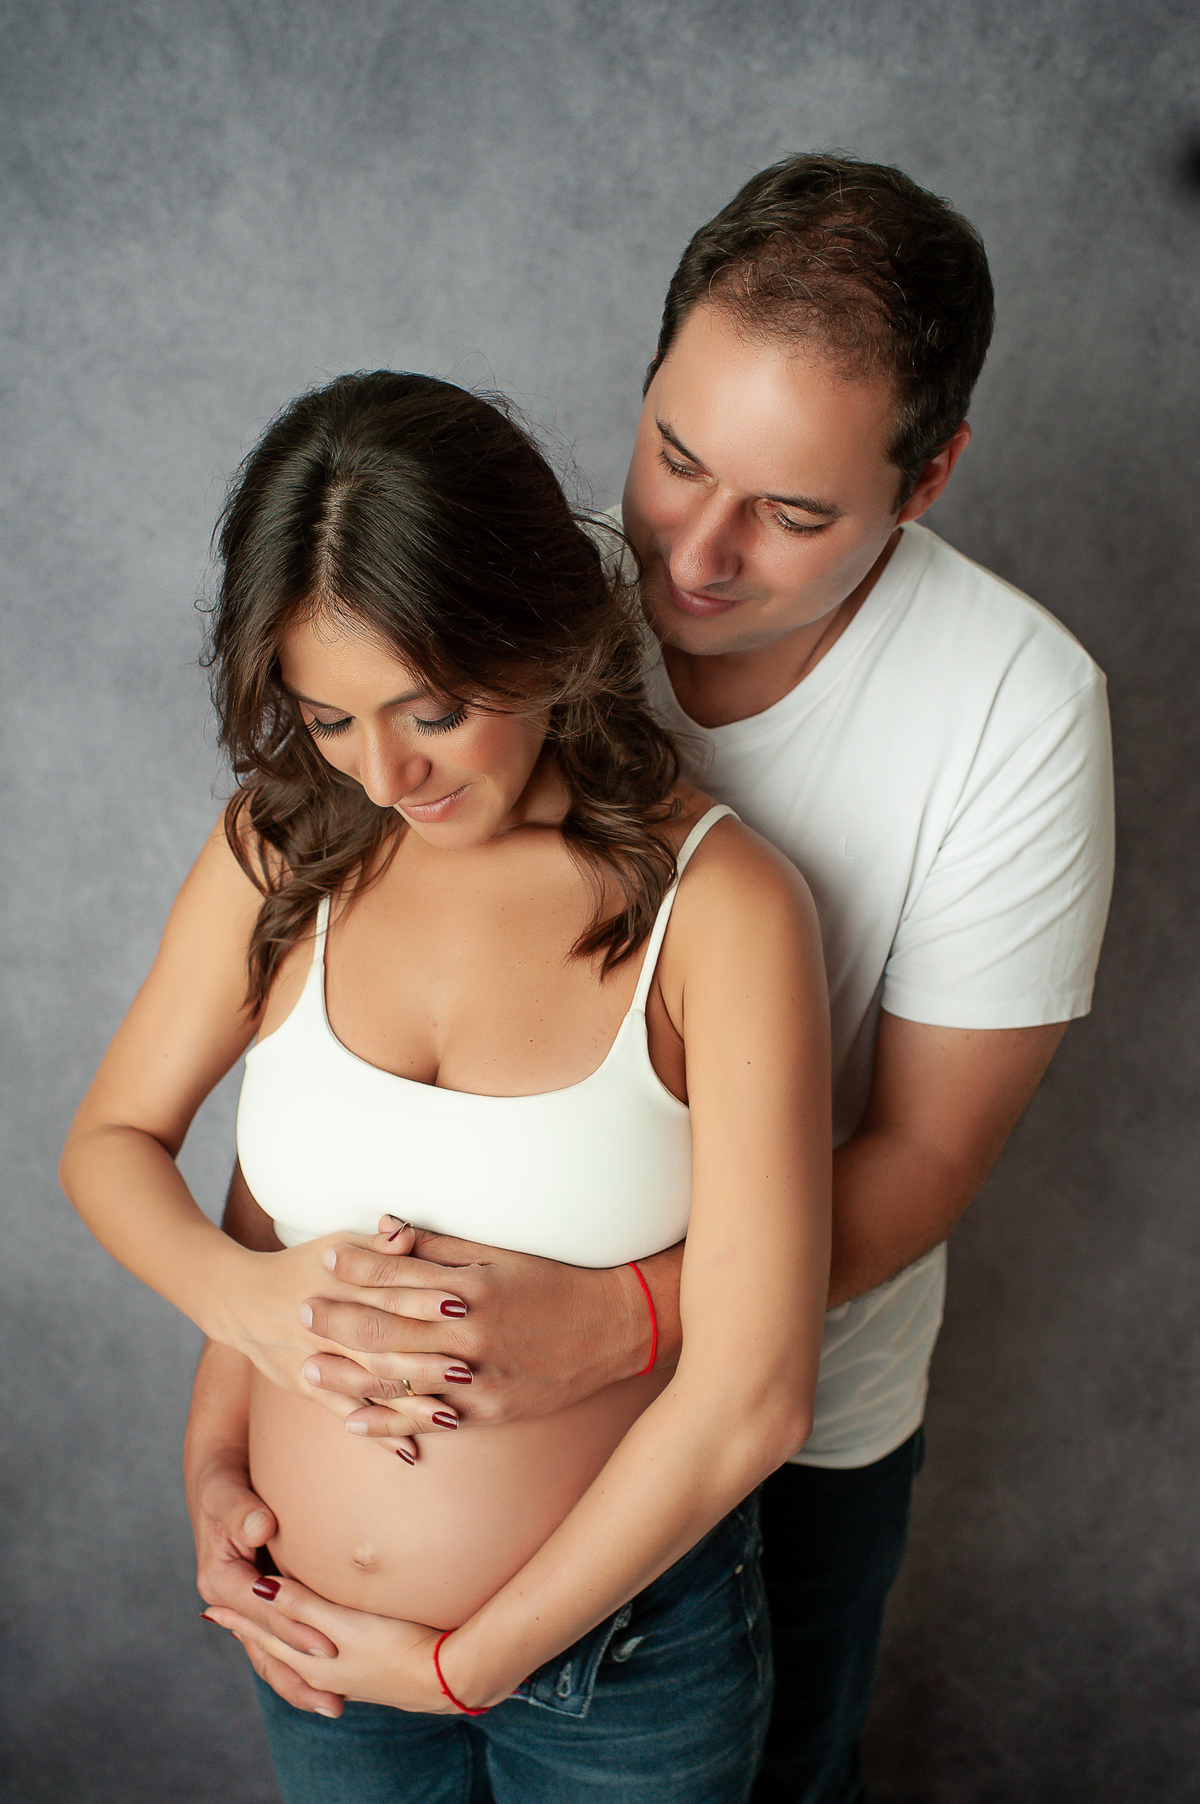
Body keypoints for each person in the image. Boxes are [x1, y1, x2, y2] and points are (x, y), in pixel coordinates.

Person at [184, 156, 1115, 1802]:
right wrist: (240, 1409)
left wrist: (620, 1325)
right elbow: (313, 1072)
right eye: (676, 455)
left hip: (800, 1406)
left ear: (932, 476)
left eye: (796, 510)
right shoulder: (503, 606)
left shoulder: (1017, 711)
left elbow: (925, 1157)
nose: (690, 551)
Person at [60, 371, 833, 1802]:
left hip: (624, 1667)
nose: (387, 771)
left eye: (431, 709)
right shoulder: (283, 847)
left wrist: (466, 1665)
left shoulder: (721, 909)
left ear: (543, 627)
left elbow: (756, 1393)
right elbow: (116, 1147)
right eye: (331, 719)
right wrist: (218, 1440)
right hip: (314, 1639)